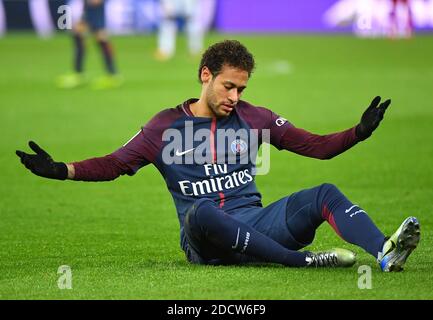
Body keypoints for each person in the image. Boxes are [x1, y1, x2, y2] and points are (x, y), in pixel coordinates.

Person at [17, 40, 420, 271]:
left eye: (241, 89)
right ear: (205, 75)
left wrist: (358, 133)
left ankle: (384, 253)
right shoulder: (163, 127)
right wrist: (61, 170)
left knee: (324, 194)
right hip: (204, 240)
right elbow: (114, 164)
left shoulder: (255, 118)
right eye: (229, 87)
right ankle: (303, 263)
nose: (235, 97)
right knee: (202, 210)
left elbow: (316, 147)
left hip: (258, 226)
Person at [57, 0, 122, 89]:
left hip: (94, 7)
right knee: (81, 34)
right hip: (89, 6)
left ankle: (112, 75)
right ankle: (79, 74)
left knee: (100, 36)